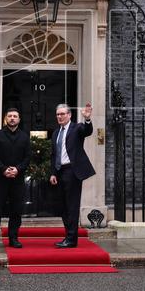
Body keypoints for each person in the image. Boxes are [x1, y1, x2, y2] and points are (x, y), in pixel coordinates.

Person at [49, 102, 94, 248]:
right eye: (58, 114)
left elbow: (87, 131)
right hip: (60, 171)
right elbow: (54, 155)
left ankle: (71, 239)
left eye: (62, 114)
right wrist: (53, 173)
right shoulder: (56, 132)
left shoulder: (77, 128)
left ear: (69, 115)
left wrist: (87, 119)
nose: (60, 117)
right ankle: (68, 236)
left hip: (72, 171)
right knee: (63, 206)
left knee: (72, 206)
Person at [0, 107, 31, 251]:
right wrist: (4, 169)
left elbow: (27, 157)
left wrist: (17, 169)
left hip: (17, 179)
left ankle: (13, 238)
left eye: (15, 116)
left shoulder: (24, 137)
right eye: (10, 116)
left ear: (19, 119)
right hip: (0, 178)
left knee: (16, 210)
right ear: (6, 118)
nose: (12, 118)